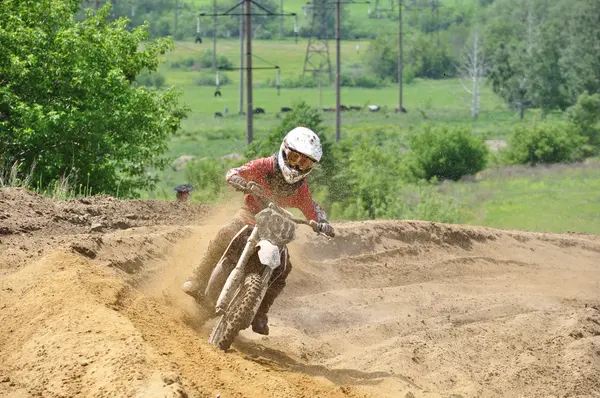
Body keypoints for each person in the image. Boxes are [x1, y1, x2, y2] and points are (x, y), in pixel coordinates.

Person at [181, 126, 334, 335]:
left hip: (274, 229)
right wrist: (236, 177)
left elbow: (312, 208)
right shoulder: (265, 166)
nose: (297, 165)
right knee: (225, 233)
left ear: (311, 166)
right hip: (249, 216)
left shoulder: (301, 188)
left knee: (284, 268)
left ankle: (261, 312)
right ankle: (198, 278)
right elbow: (238, 171)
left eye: (304, 162)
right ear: (284, 150)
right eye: (294, 157)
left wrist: (322, 222)